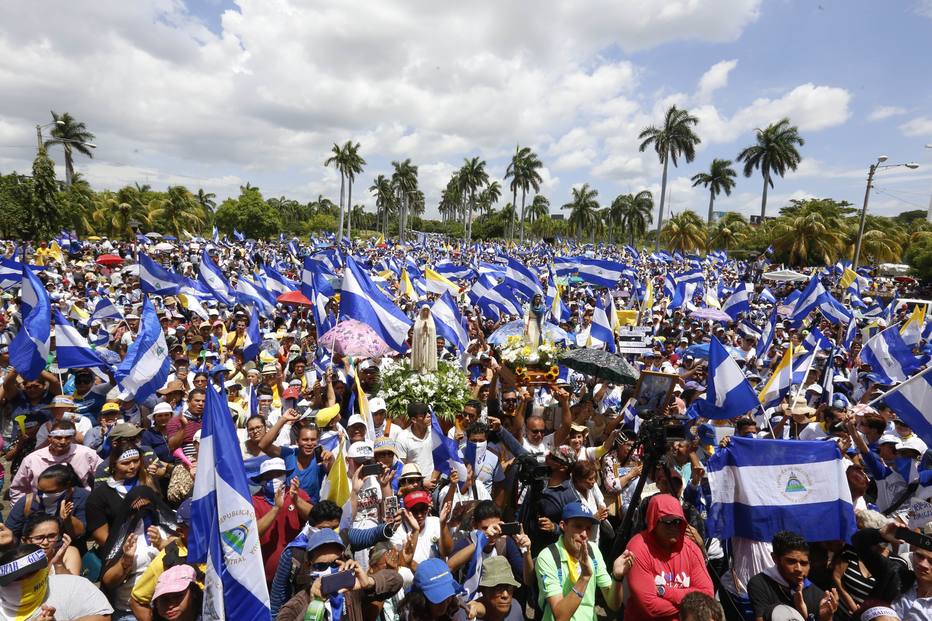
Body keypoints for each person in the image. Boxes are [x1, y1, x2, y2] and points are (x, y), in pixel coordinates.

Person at [276, 528, 403, 621]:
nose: (330, 571)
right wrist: (312, 607)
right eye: (322, 566)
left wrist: (369, 582)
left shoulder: (351, 589)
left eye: (335, 564)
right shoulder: (298, 603)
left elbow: (396, 581)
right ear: (309, 566)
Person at [534, 501, 633, 621]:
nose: (584, 534)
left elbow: (614, 605)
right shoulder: (548, 557)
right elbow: (560, 617)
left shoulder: (593, 550)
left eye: (588, 528)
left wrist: (617, 578)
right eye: (578, 526)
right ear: (563, 526)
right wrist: (585, 577)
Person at [625, 494, 714, 620]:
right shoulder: (638, 547)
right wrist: (691, 609)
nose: (674, 527)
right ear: (654, 521)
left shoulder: (691, 549)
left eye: (678, 522)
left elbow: (707, 595)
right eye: (668, 521)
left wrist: (665, 591)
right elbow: (651, 607)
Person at [0, 544, 114, 620]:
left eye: (31, 574)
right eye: (17, 578)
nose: (26, 581)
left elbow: (103, 617)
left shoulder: (74, 585)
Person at [747, 530, 840, 621]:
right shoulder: (759, 584)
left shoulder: (819, 596)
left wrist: (826, 618)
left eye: (804, 563)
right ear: (775, 559)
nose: (799, 569)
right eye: (791, 561)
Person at [9, 420, 102, 503]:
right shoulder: (32, 459)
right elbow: (18, 489)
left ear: (73, 438)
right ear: (49, 438)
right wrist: (23, 510)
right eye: (58, 437)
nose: (63, 441)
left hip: (79, 504)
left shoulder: (86, 453)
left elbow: (104, 473)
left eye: (67, 437)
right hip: (42, 506)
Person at [4, 463, 89, 541]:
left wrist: (68, 520)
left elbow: (81, 534)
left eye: (50, 492)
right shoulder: (27, 502)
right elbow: (11, 534)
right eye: (40, 490)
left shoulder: (81, 498)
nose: (43, 495)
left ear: (67, 487)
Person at [473, 555, 524, 621]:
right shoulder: (467, 616)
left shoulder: (515, 608)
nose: (505, 595)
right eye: (498, 588)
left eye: (509, 587)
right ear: (483, 590)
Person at [411, 305, 438, 373]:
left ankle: (428, 369)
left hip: (428, 342)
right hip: (420, 341)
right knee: (421, 355)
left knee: (427, 355)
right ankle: (420, 369)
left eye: (427, 310)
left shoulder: (431, 320)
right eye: (424, 310)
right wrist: (422, 328)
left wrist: (427, 328)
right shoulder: (418, 319)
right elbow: (416, 330)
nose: (425, 312)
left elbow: (433, 331)